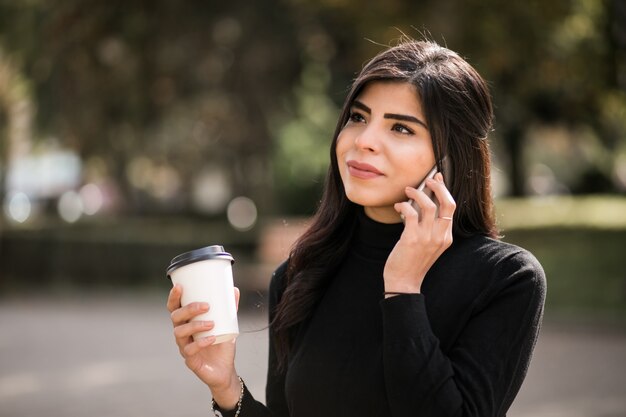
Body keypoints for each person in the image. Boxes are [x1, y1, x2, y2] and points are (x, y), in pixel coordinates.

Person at [167, 37, 546, 417]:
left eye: (401, 129)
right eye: (358, 117)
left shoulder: (505, 279)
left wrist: (403, 289)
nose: (363, 142)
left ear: (449, 159)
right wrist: (227, 387)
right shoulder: (301, 276)